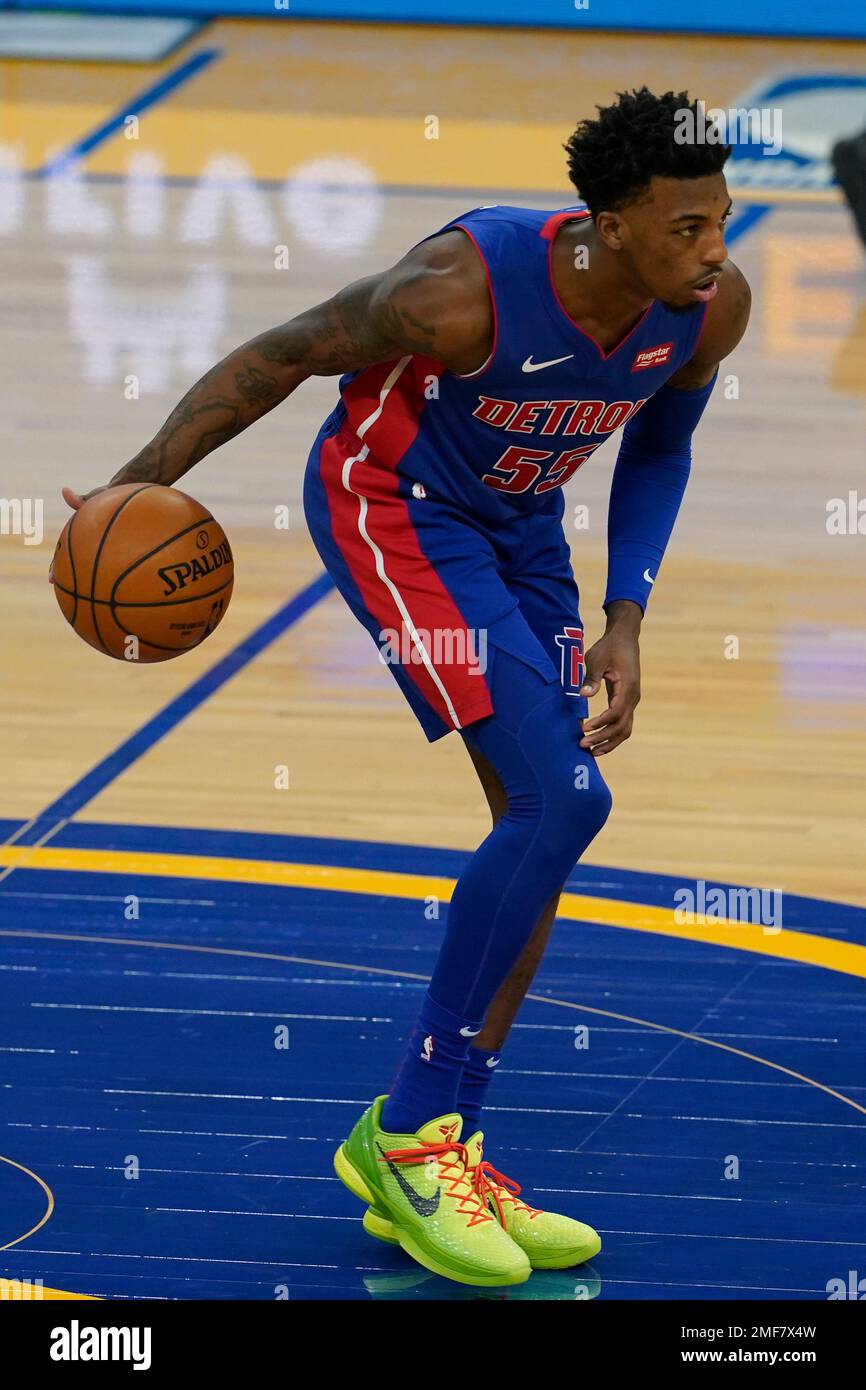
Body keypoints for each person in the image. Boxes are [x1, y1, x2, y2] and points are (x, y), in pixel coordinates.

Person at [55, 87, 751, 1288]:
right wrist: (128, 491)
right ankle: (411, 1136)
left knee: (541, 816)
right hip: (395, 510)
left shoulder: (705, 310)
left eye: (719, 221)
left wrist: (626, 615)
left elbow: (662, 444)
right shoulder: (456, 292)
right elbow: (276, 355)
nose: (713, 250)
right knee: (561, 799)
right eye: (686, 226)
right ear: (610, 219)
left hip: (521, 524)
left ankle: (445, 1143)